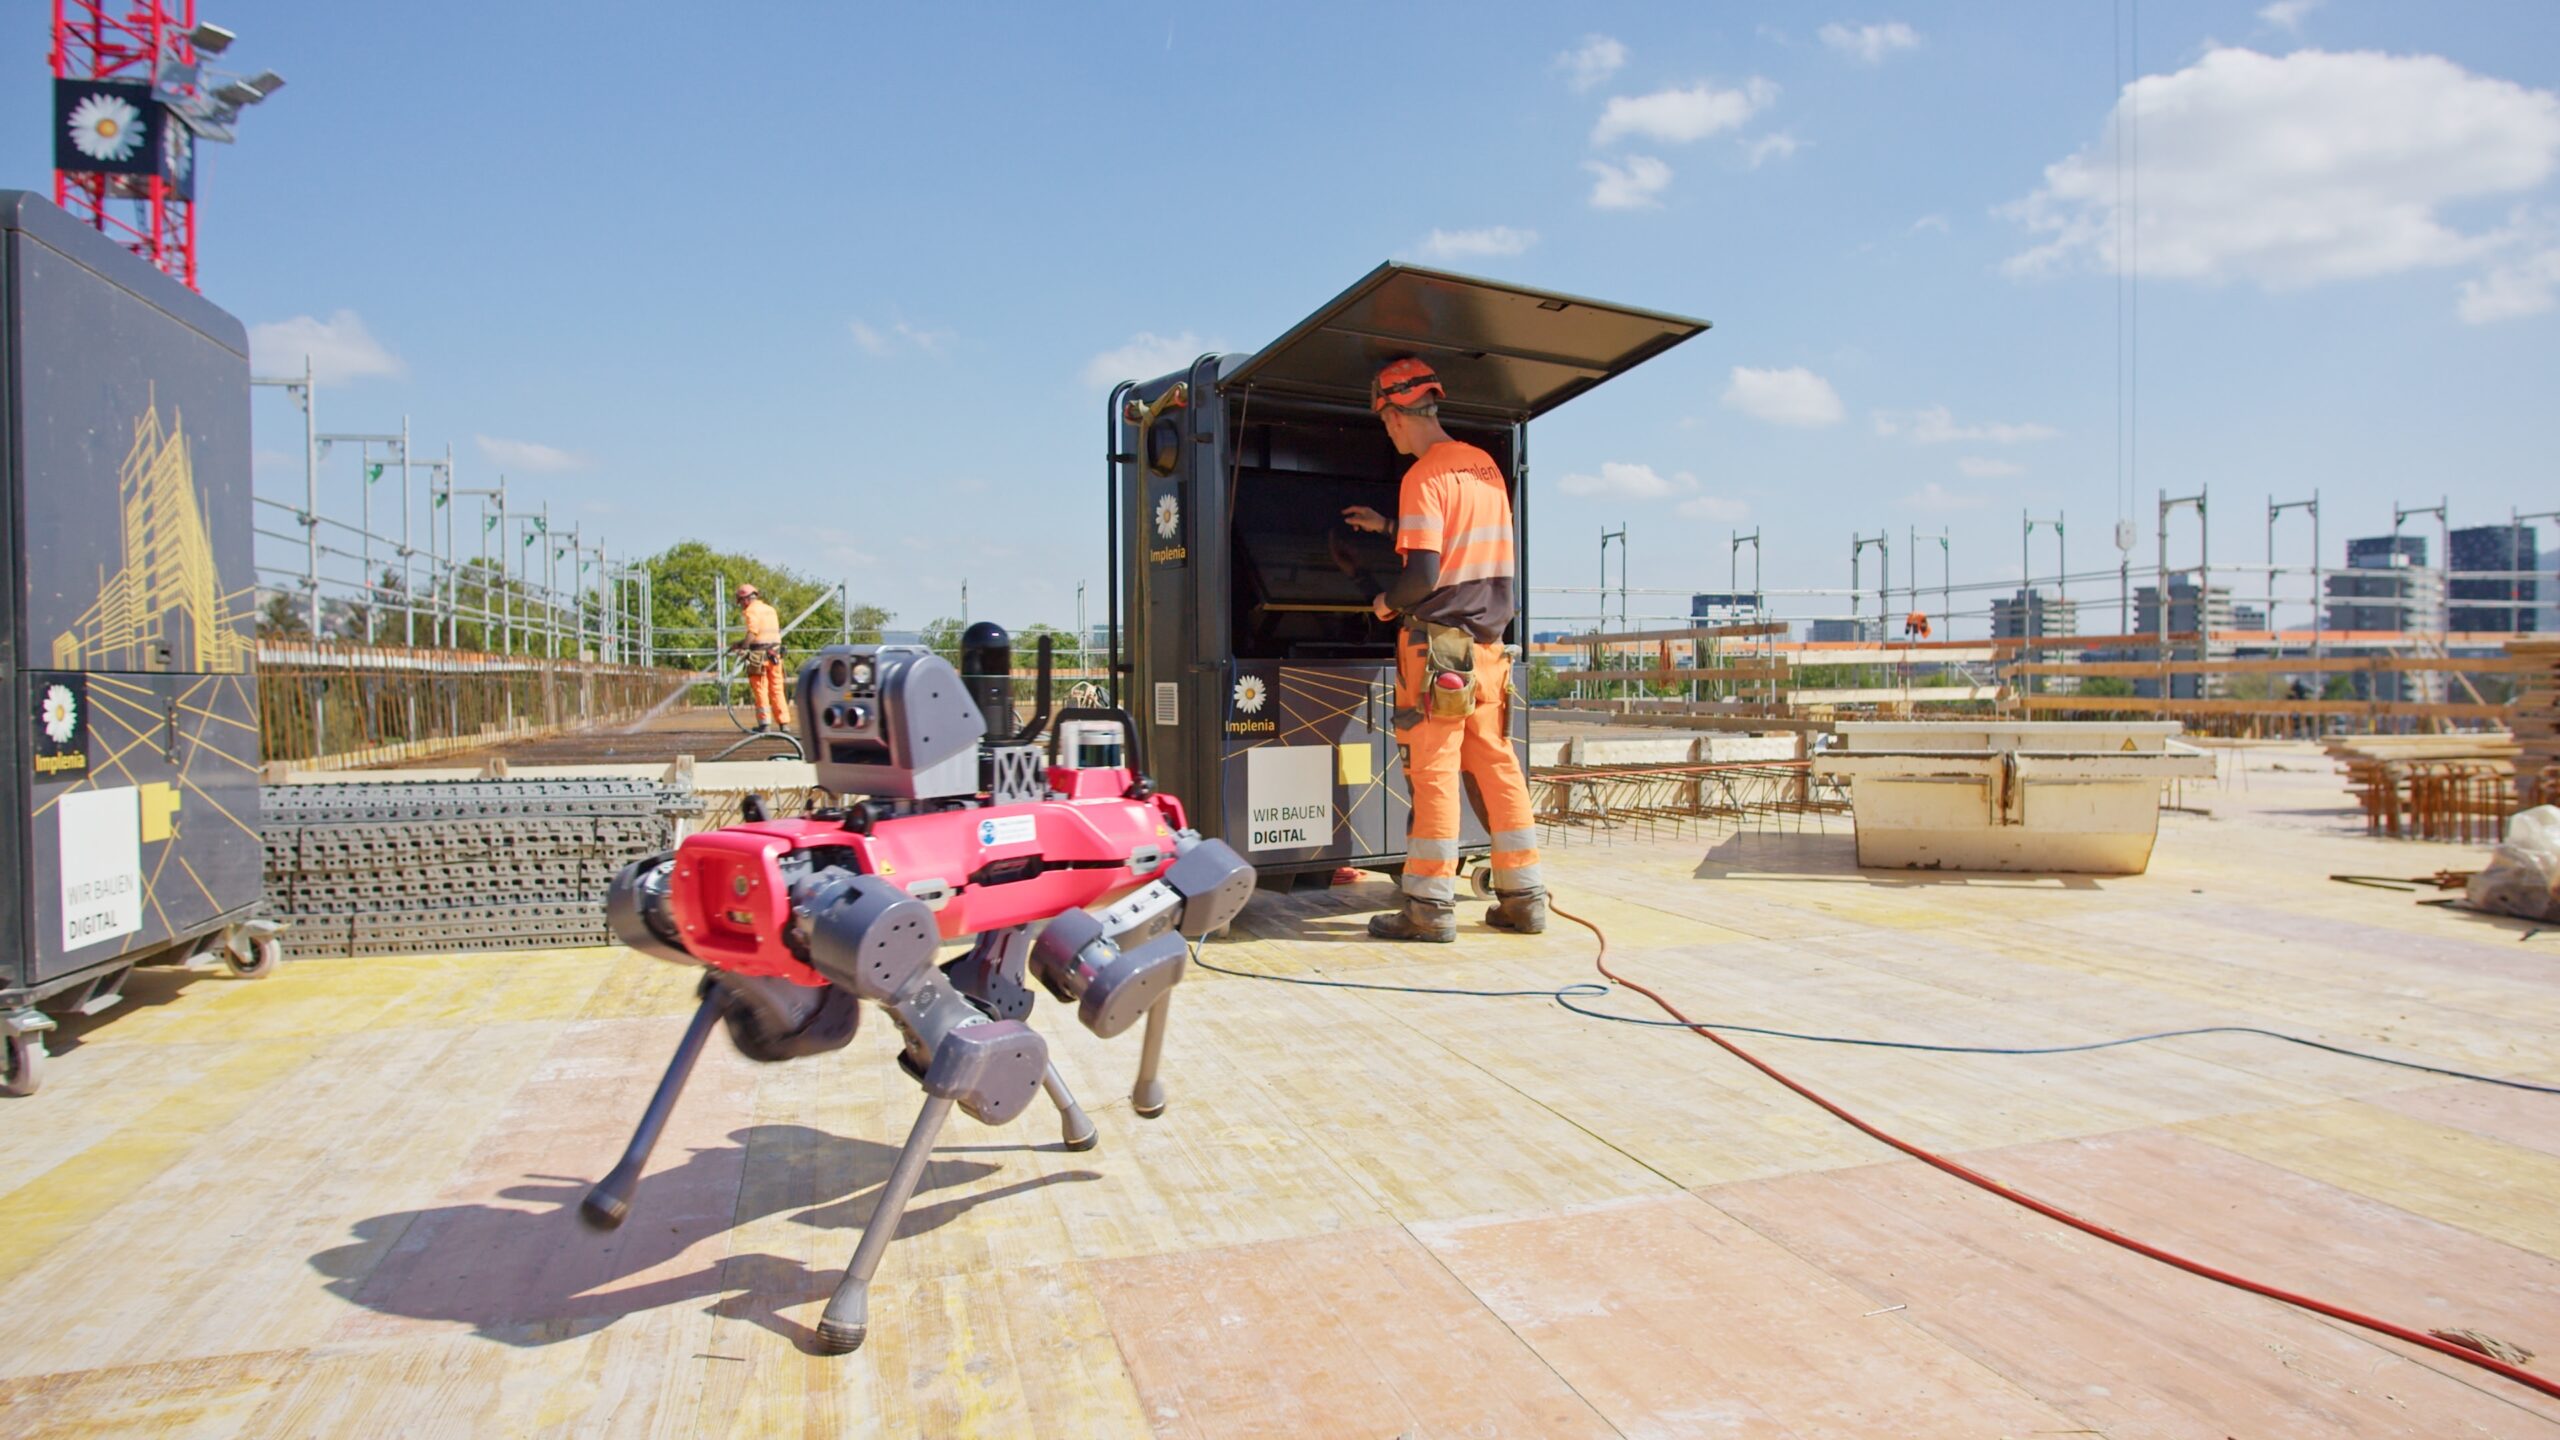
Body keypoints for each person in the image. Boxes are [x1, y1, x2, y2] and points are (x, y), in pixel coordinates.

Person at [1339, 357, 1543, 942]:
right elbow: (1458, 542)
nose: (1389, 433)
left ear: (1397, 414)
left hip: (1438, 652)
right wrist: (1388, 527)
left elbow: (1424, 577)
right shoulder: (1484, 469)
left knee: (1433, 771)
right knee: (1497, 764)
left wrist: (1384, 601)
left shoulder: (1423, 476)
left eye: (1386, 422)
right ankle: (1525, 898)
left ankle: (1428, 906)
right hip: (1487, 649)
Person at [730, 582, 787, 732]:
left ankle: (764, 725)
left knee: (761, 688)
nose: (741, 605)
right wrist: (740, 643)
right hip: (775, 654)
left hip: (759, 657)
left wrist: (744, 647)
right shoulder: (770, 610)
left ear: (746, 599)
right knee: (777, 688)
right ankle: (784, 724)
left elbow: (753, 632)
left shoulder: (751, 610)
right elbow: (765, 634)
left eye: (741, 602)